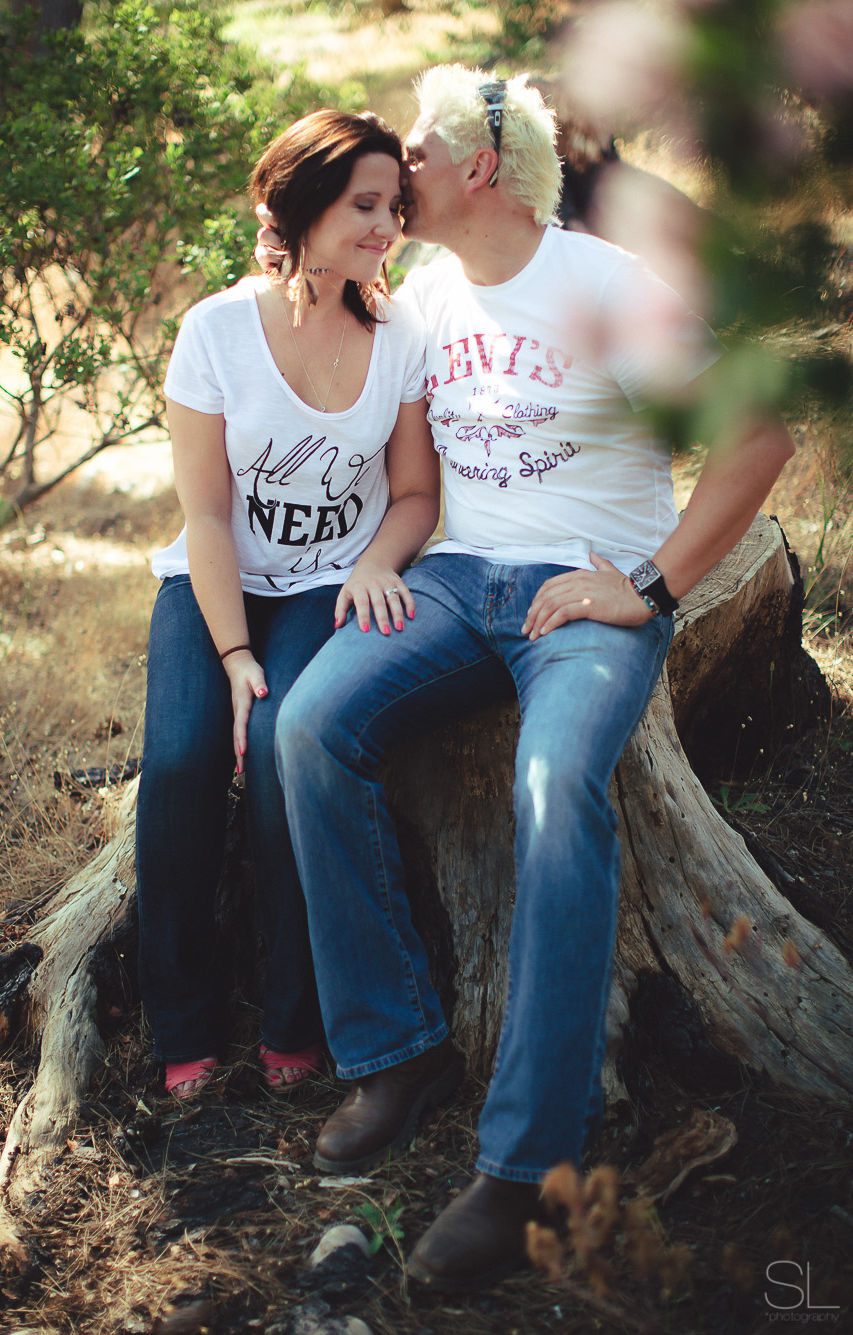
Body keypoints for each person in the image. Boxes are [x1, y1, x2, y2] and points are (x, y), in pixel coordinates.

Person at [273, 67, 796, 1287]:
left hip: (586, 597)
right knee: (307, 726)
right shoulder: (425, 291)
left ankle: (523, 1169)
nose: (391, 166)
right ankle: (395, 1048)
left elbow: (758, 437)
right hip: (458, 581)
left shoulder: (604, 283)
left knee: (557, 785)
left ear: (475, 167)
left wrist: (651, 585)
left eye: (410, 148)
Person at [136, 110, 439, 1101]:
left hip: (325, 588)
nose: (385, 226)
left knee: (281, 762)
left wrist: (377, 562)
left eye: (393, 206)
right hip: (211, 582)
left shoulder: (396, 337)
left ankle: (293, 1018)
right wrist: (230, 660)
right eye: (363, 205)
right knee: (181, 760)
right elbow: (208, 517)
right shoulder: (216, 331)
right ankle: (180, 1020)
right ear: (299, 209)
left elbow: (413, 495)